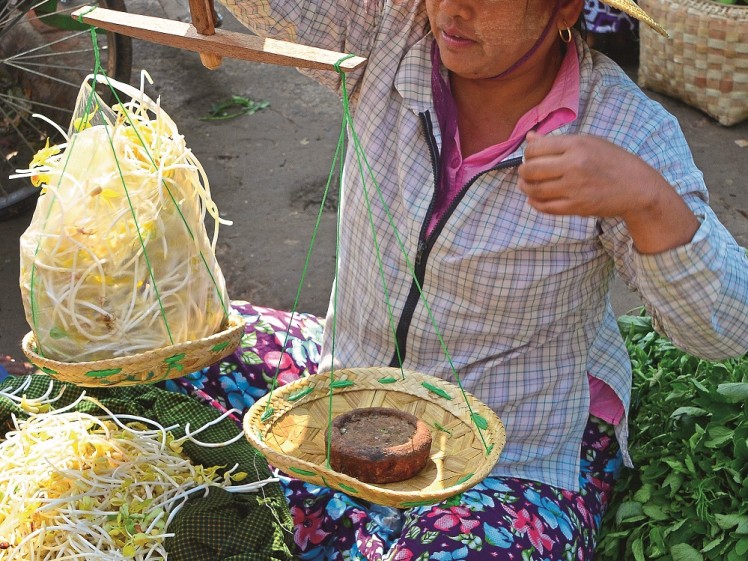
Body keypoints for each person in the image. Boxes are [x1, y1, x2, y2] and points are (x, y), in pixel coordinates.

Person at [165, 0, 748, 559]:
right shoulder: (391, 34)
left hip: (514, 442)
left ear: (565, 7)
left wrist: (648, 201)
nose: (450, 9)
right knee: (168, 345)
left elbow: (726, 329)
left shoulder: (624, 133)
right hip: (351, 382)